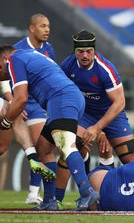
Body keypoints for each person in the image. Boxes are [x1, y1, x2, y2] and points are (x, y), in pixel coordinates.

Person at [0, 45, 99, 211]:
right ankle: (50, 200)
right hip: (66, 98)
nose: (2, 72)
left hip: (61, 98)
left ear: (4, 59)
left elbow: (21, 98)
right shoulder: (30, 54)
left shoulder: (13, 60)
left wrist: (6, 121)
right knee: (43, 149)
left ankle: (86, 191)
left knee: (66, 145)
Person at [53, 30, 134, 203]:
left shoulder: (105, 69)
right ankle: (57, 201)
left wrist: (97, 128)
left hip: (112, 113)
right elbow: (59, 91)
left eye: (89, 51)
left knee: (130, 159)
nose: (85, 55)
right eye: (80, 51)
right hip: (86, 113)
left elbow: (120, 102)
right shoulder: (68, 65)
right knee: (68, 147)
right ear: (75, 51)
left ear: (94, 50)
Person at [0, 13, 56, 205]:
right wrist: (13, 102)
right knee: (43, 148)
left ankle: (34, 193)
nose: (47, 29)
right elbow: (7, 78)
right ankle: (36, 193)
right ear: (31, 28)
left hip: (41, 103)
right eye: (42, 26)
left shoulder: (49, 49)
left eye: (48, 26)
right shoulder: (17, 50)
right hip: (25, 103)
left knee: (42, 148)